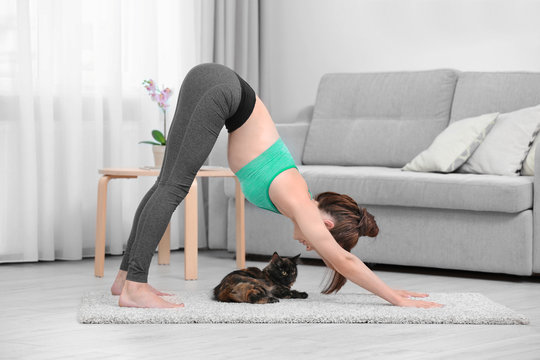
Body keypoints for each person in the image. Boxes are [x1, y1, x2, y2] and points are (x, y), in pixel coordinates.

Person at [110, 63, 443, 309]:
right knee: (173, 187)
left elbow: (341, 257)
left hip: (217, 84)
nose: (311, 245)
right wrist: (395, 298)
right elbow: (345, 262)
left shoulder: (296, 196)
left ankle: (126, 279)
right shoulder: (298, 200)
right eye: (320, 242)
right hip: (220, 88)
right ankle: (135, 286)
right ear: (325, 225)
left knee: (166, 184)